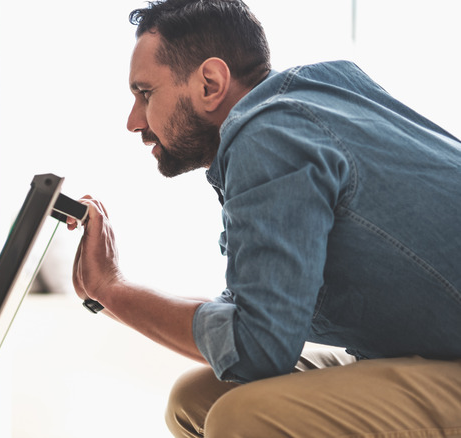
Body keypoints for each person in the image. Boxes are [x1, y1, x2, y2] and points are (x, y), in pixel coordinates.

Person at [66, 0, 461, 436]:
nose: (133, 120)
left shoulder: (268, 136)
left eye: (145, 94)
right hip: (424, 351)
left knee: (242, 418)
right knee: (194, 400)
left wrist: (109, 288)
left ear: (210, 83)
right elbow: (253, 319)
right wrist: (110, 291)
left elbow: (258, 348)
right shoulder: (310, 100)